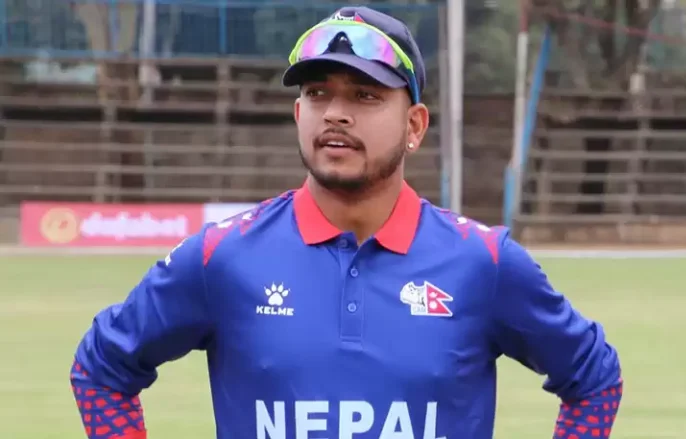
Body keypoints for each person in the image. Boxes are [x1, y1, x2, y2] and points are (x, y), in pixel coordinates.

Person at [70, 6, 623, 439]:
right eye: (317, 94)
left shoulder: (484, 263)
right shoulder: (224, 256)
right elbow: (101, 369)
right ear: (298, 115)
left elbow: (594, 379)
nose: (335, 112)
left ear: (414, 125)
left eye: (365, 95)